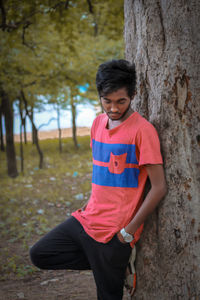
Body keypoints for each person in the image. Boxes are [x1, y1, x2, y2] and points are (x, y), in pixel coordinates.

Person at [30, 59, 167, 300]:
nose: (113, 108)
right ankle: (113, 266)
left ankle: (115, 262)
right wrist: (90, 200)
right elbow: (103, 171)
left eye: (121, 101)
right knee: (40, 254)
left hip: (115, 233)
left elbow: (158, 187)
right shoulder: (96, 124)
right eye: (107, 101)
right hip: (86, 219)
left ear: (133, 95)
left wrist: (127, 233)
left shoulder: (142, 130)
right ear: (99, 95)